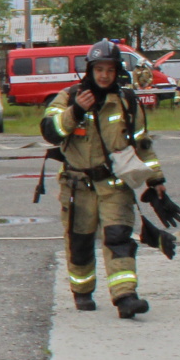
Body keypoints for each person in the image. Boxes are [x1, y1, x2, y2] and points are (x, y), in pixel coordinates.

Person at [41, 40, 172, 318]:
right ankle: (82, 290)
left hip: (115, 186)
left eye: (109, 70)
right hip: (77, 187)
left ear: (117, 72)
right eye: (98, 69)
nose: (103, 75)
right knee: (80, 242)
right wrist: (75, 111)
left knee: (118, 238)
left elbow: (142, 143)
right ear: (89, 70)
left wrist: (155, 180)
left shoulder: (126, 101)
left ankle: (125, 297)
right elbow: (49, 131)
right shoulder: (68, 96)